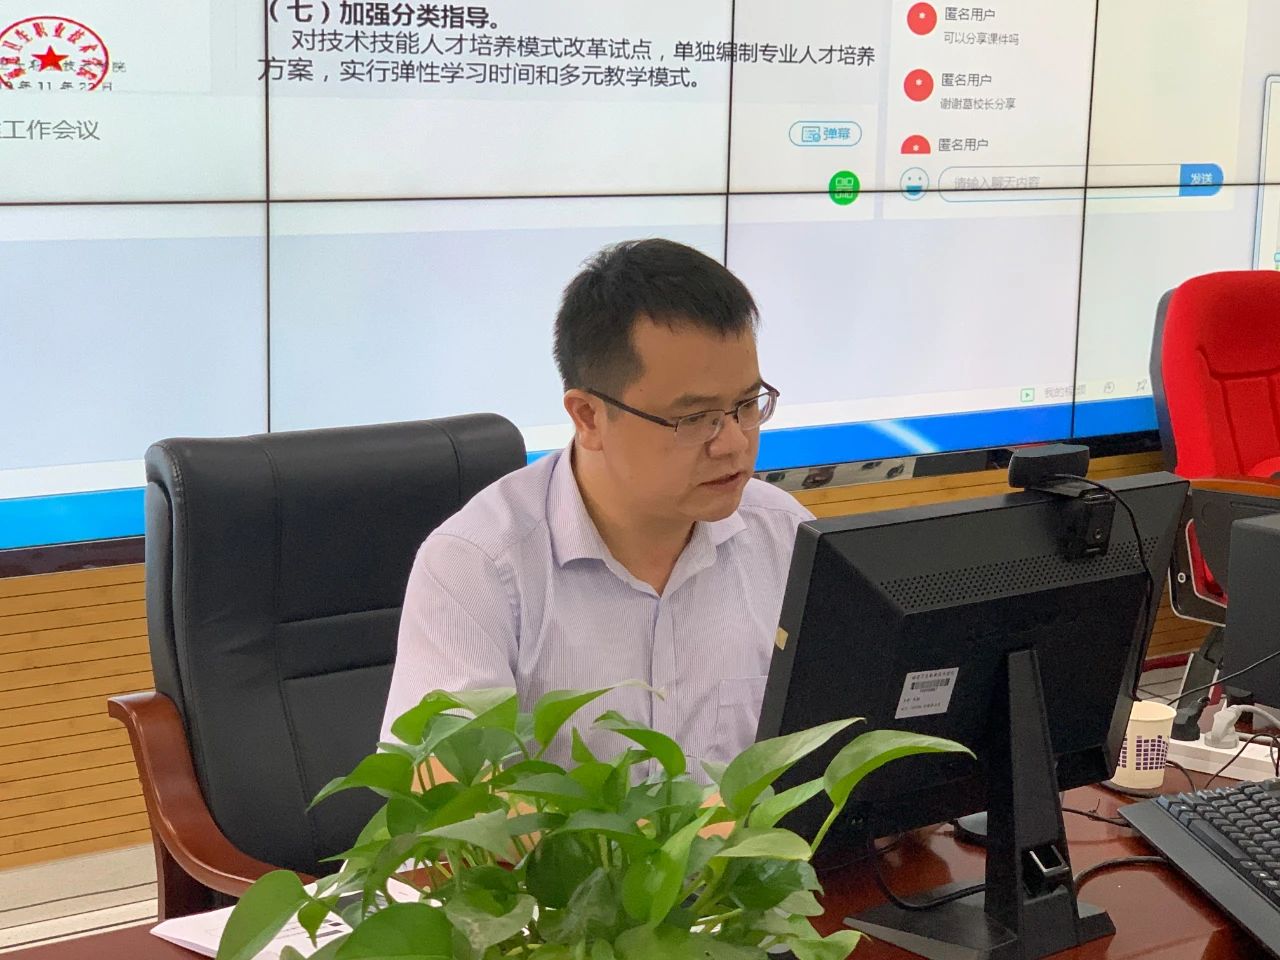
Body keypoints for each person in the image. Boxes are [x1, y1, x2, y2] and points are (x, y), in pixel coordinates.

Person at [380, 238, 813, 774]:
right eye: (695, 418)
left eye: (747, 405)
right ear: (588, 416)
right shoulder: (476, 564)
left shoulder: (786, 536)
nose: (732, 443)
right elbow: (449, 791)